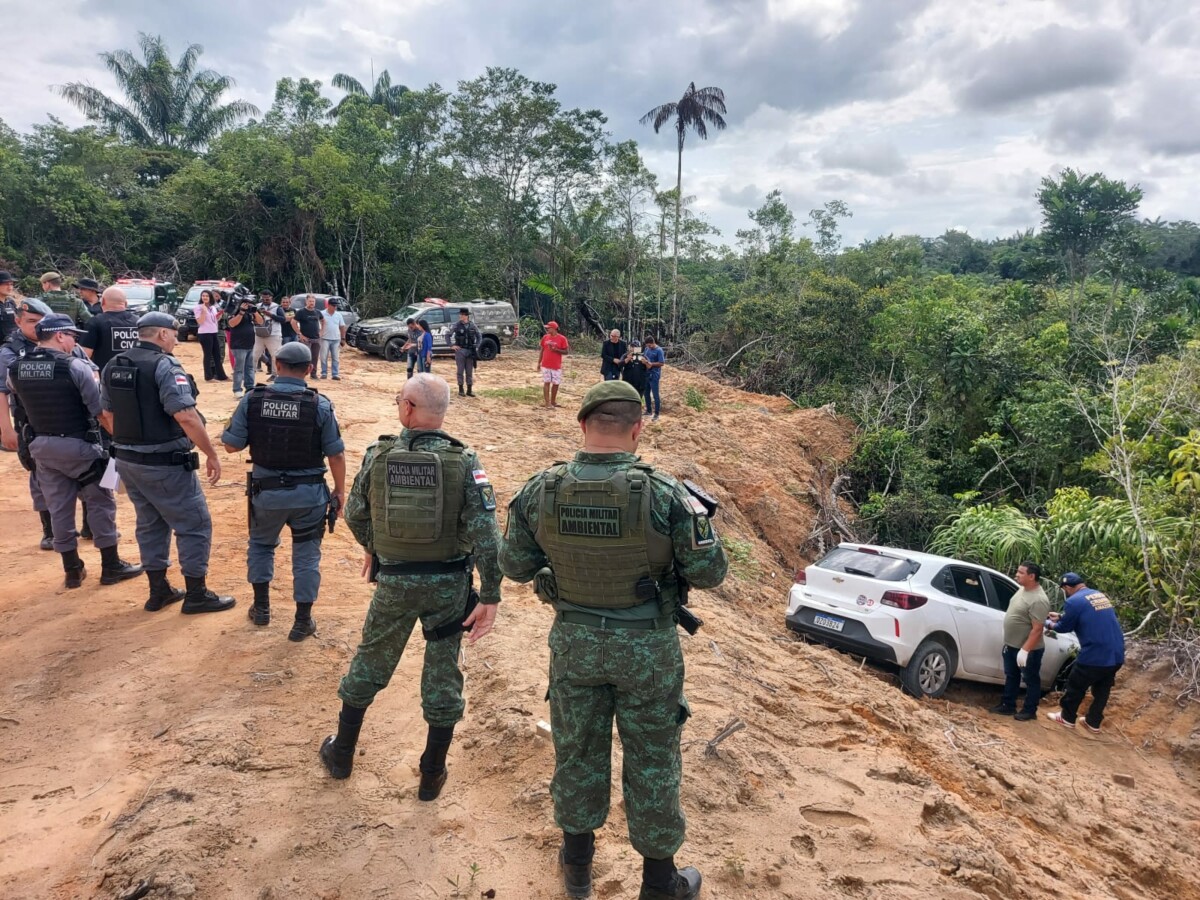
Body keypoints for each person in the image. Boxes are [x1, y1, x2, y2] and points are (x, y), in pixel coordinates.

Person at [499, 380, 729, 900]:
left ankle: (578, 869)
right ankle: (659, 884)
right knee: (653, 760)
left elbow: (513, 565)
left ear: (582, 425)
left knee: (577, 752)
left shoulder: (541, 489)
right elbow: (711, 572)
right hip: (648, 650)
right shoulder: (666, 493)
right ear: (637, 428)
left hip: (574, 645)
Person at [319, 373, 502, 800]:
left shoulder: (379, 454)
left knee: (371, 660)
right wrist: (491, 593)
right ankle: (431, 773)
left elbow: (355, 514)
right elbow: (487, 536)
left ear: (408, 408)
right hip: (449, 585)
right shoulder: (464, 460)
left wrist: (376, 548)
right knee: (443, 674)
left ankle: (342, 754)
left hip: (395, 582)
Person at [101, 311, 235, 615]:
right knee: (194, 524)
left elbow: (106, 414)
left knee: (150, 523)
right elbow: (185, 416)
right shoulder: (164, 365)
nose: (175, 340)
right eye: (174, 335)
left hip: (128, 461)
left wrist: (131, 443)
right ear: (162, 334)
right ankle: (196, 594)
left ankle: (158, 591)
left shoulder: (114, 364)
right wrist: (211, 454)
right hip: (165, 463)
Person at [6, 314, 142, 588]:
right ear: (59, 335)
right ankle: (111, 566)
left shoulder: (16, 368)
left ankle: (72, 570)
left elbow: (16, 397)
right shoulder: (75, 367)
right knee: (101, 504)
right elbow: (100, 411)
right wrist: (119, 439)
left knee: (58, 508)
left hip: (41, 448)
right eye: (72, 336)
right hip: (80, 448)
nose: (75, 342)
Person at [221, 342, 346, 641]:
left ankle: (262, 609)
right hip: (310, 495)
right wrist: (340, 491)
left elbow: (231, 446)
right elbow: (336, 455)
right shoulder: (319, 405)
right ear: (310, 369)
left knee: (261, 546)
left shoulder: (253, 399)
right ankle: (302, 622)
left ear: (276, 365)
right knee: (306, 557)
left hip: (266, 495)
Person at [2, 298, 69, 549]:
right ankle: (49, 531)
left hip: (67, 418)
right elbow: (2, 392)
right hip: (31, 423)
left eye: (42, 322)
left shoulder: (62, 341)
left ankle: (89, 526)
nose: (37, 327)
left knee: (87, 473)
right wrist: (6, 429)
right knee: (40, 477)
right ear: (17, 321)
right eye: (31, 321)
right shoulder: (10, 352)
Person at [1046, 573, 1126, 733]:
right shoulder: (1098, 595)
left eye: (1065, 590)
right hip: (1116, 654)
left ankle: (1067, 717)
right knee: (1102, 689)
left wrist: (1047, 623)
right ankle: (1093, 722)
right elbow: (1091, 616)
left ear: (1067, 587)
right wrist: (1061, 616)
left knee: (1076, 684)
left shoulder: (1073, 601)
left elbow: (1063, 628)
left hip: (1095, 654)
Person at [991, 561, 1051, 721]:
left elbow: (1037, 629)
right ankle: (1008, 705)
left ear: (1032, 576)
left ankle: (1029, 710)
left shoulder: (1039, 600)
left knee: (1031, 679)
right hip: (1011, 645)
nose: (1017, 574)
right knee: (1012, 675)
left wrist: (1025, 650)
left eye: (1021, 572)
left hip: (1028, 649)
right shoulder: (1022, 590)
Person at [225, 289, 262, 398]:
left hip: (250, 344)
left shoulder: (251, 312)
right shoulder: (233, 310)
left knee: (250, 368)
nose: (248, 304)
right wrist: (241, 312)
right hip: (238, 345)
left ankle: (250, 387)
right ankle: (237, 389)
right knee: (239, 368)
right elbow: (232, 324)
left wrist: (255, 311)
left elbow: (260, 322)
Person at [194, 290, 228, 382]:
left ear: (210, 298)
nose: (205, 297)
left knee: (217, 355)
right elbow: (200, 321)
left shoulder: (212, 307)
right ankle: (208, 377)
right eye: (203, 296)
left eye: (207, 296)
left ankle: (221, 376)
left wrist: (218, 316)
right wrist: (204, 311)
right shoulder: (198, 307)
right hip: (204, 333)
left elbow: (214, 320)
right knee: (208, 355)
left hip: (214, 332)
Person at [252, 289, 284, 380]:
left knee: (275, 355)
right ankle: (251, 372)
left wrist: (270, 315)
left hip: (273, 334)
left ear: (271, 298)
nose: (265, 300)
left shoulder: (277, 307)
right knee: (254, 355)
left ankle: (275, 374)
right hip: (259, 333)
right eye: (263, 299)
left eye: (267, 299)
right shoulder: (257, 306)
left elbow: (283, 319)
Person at [538, 321, 570, 408]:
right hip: (545, 364)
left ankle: (553, 401)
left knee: (556, 383)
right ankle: (547, 402)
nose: (547, 329)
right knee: (547, 382)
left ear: (554, 328)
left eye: (549, 328)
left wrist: (556, 350)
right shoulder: (545, 337)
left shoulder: (562, 338)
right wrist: (539, 362)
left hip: (556, 365)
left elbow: (566, 351)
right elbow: (542, 350)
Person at [450, 308, 480, 397]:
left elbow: (479, 336)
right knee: (460, 371)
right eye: (460, 314)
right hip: (460, 350)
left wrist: (477, 346)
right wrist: (451, 345)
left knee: (469, 371)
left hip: (470, 351)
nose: (460, 316)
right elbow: (448, 335)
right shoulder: (456, 325)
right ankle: (461, 389)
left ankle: (469, 390)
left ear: (466, 316)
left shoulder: (472, 325)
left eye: (462, 314)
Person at [294, 295, 323, 376]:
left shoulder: (317, 312)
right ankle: (302, 373)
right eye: (310, 301)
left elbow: (323, 321)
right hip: (305, 339)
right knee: (304, 357)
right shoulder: (301, 312)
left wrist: (321, 331)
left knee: (315, 357)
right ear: (306, 302)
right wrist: (299, 334)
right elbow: (293, 322)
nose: (311, 303)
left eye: (313, 301)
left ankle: (313, 374)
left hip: (316, 339)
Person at [318, 298, 346, 380]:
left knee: (335, 357)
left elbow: (342, 327)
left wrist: (343, 338)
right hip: (324, 338)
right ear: (328, 305)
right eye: (333, 305)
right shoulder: (322, 313)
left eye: (336, 306)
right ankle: (324, 373)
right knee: (323, 357)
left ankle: (335, 374)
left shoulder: (338, 315)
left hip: (336, 339)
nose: (335, 307)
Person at [642, 335, 665, 420]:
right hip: (646, 374)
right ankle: (649, 410)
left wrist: (651, 364)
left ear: (653, 343)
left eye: (649, 345)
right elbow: (644, 357)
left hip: (654, 374)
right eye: (647, 346)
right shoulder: (647, 349)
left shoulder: (659, 350)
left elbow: (662, 363)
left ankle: (657, 413)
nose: (648, 347)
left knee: (655, 394)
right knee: (646, 393)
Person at [0, 270, 17, 343]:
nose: (10, 288)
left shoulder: (10, 302)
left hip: (12, 343)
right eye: (6, 284)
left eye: (11, 284)